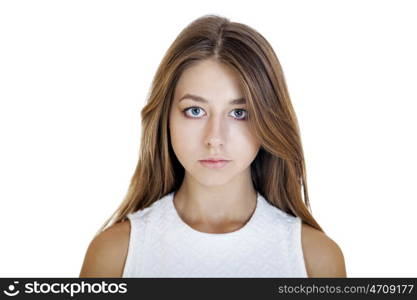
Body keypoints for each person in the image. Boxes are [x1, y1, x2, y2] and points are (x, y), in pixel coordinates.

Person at [79, 14, 346, 278]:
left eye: (239, 113)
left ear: (268, 119)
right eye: (195, 111)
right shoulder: (114, 256)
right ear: (165, 118)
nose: (214, 138)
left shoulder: (315, 260)